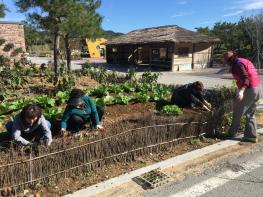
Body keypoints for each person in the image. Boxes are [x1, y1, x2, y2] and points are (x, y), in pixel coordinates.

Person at [223, 51, 261, 143]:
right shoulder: (243, 61)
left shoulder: (237, 65)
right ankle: (251, 136)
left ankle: (231, 133)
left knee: (238, 112)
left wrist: (241, 91)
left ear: (229, 60)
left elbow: (246, 79)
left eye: (226, 61)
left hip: (249, 90)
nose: (226, 63)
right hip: (258, 88)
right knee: (250, 113)